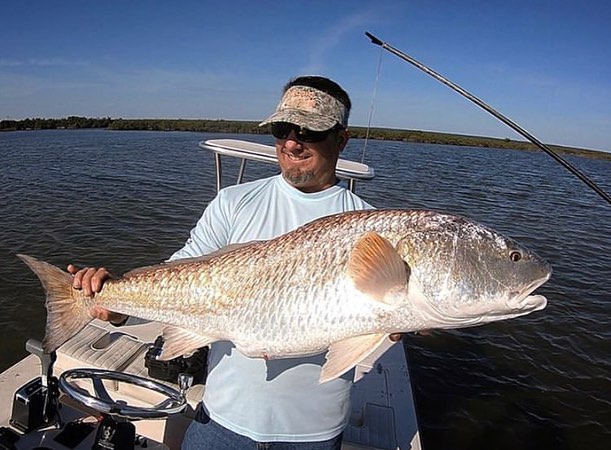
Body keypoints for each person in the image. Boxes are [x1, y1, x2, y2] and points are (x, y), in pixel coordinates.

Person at [69, 75, 376, 449]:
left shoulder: (370, 230)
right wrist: (114, 305)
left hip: (313, 433)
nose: (292, 143)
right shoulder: (233, 202)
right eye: (282, 129)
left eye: (309, 132)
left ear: (341, 139)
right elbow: (177, 277)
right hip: (220, 422)